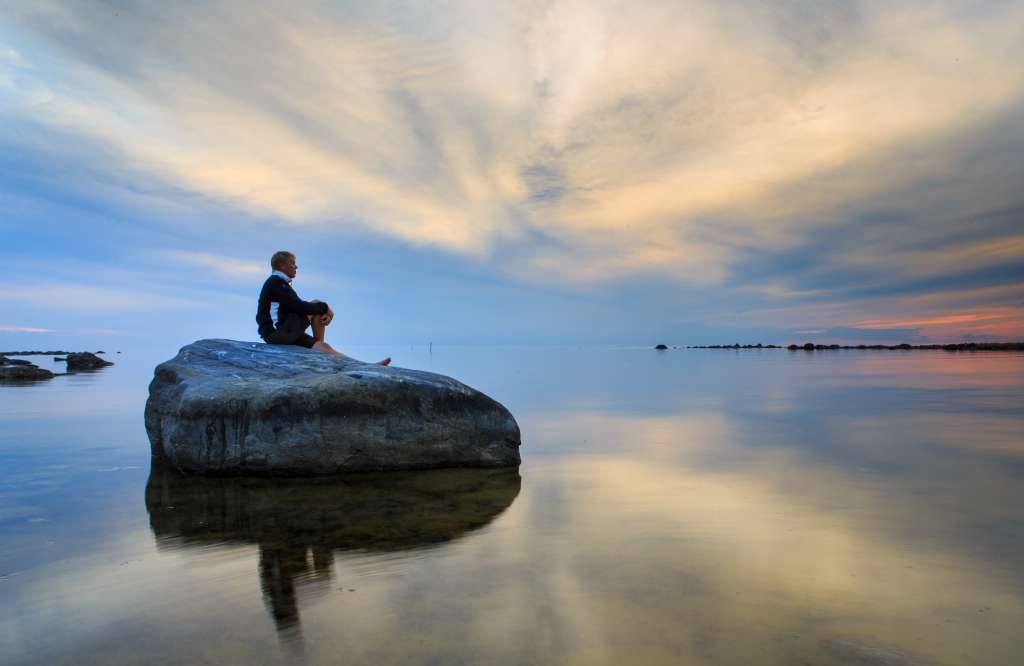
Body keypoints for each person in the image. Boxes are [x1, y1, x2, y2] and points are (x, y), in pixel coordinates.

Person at [256, 251, 390, 365]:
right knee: (317, 304)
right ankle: (319, 353)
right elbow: (299, 307)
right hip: (277, 333)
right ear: (282, 265)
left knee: (323, 347)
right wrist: (326, 309)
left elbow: (298, 307)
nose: (296, 267)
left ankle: (366, 366)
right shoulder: (276, 282)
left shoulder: (280, 283)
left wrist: (323, 309)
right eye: (292, 263)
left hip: (284, 332)